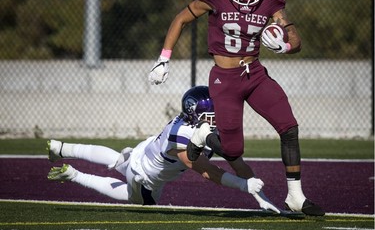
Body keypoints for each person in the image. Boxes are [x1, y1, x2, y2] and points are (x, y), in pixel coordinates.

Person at [148, 0, 324, 216]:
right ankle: (203, 134)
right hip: (224, 79)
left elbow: (295, 39)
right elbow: (181, 19)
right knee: (233, 150)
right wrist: (164, 59)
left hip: (254, 74)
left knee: (289, 127)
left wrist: (285, 46)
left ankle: (295, 196)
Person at [47, 86, 280, 212]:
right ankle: (74, 174)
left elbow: (235, 161)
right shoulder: (182, 138)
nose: (216, 118)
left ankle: (62, 148)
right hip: (145, 177)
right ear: (195, 115)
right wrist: (243, 185)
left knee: (118, 160)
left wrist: (259, 195)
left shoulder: (190, 122)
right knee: (137, 200)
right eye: (210, 115)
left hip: (145, 150)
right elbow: (207, 171)